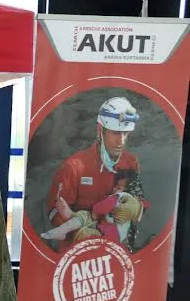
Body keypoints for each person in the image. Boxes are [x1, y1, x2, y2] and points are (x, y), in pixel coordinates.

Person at [45, 96, 142, 252]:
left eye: (125, 134)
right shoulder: (74, 166)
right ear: (100, 130)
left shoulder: (131, 162)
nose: (121, 141)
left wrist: (137, 207)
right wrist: (82, 232)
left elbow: (137, 201)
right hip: (77, 253)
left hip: (115, 247)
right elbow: (54, 212)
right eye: (116, 133)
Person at [42, 169, 148, 245]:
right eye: (115, 186)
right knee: (85, 218)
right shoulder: (134, 206)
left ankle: (66, 227)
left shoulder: (122, 197)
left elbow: (103, 206)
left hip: (105, 233)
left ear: (128, 190)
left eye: (119, 187)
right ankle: (69, 221)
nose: (115, 189)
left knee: (85, 226)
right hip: (114, 236)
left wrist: (95, 211)